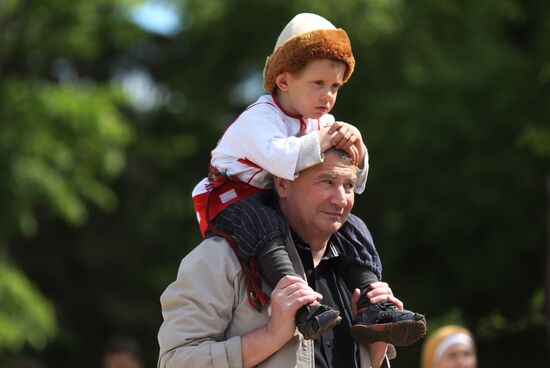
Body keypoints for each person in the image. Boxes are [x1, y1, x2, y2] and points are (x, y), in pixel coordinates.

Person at [191, 12, 426, 345]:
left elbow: (355, 181)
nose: (328, 96)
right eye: (318, 84)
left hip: (274, 197)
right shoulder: (259, 118)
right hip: (232, 198)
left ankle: (375, 302)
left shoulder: (319, 120)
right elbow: (282, 158)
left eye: (335, 87)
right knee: (264, 224)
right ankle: (302, 306)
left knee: (350, 223)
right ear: (284, 80)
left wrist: (357, 144)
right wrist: (326, 140)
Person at [158, 148, 415, 367]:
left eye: (348, 185)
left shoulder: (356, 270)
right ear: (282, 183)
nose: (340, 200)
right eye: (326, 181)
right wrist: (271, 335)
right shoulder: (221, 258)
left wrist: (376, 348)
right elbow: (175, 360)